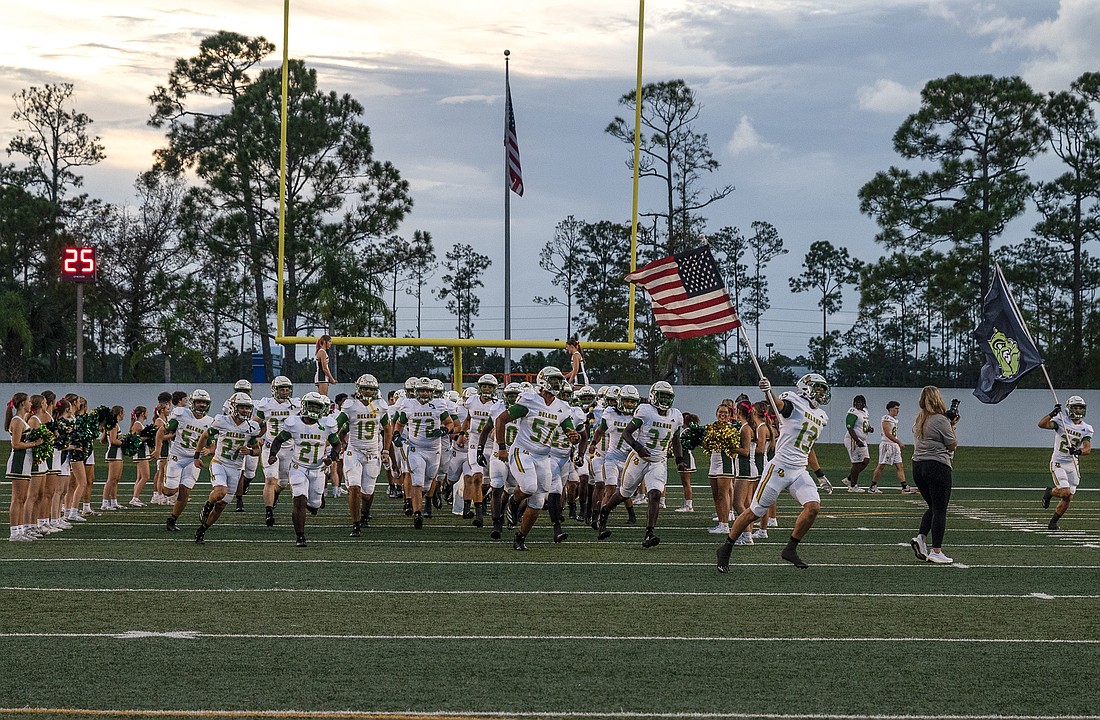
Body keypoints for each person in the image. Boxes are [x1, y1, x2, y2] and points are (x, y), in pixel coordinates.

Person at [717, 374, 832, 572]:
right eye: (818, 389)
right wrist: (768, 391)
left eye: (823, 390)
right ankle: (726, 548)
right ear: (806, 388)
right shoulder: (794, 402)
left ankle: (790, 549)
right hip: (779, 468)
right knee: (754, 512)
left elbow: (809, 447)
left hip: (799, 469)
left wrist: (820, 475)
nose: (821, 394)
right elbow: (780, 405)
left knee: (813, 507)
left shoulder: (822, 416)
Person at [492, 366, 581, 550]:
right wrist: (501, 447)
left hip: (543, 456)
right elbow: (500, 420)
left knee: (538, 501)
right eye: (553, 380)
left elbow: (571, 433)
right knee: (529, 487)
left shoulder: (562, 407)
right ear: (543, 381)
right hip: (522, 451)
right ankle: (513, 502)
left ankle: (520, 537)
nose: (557, 384)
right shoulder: (530, 400)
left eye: (558, 381)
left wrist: (575, 437)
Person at [595, 381, 684, 548]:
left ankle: (649, 533)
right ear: (653, 396)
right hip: (638, 459)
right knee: (624, 493)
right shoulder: (645, 411)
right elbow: (627, 433)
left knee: (655, 495)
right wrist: (638, 447)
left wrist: (679, 460)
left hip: (658, 461)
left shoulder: (676, 415)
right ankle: (605, 511)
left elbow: (676, 439)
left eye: (667, 397)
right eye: (662, 396)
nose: (665, 400)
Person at [267, 392, 341, 547]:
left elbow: (336, 444)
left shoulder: (326, 424)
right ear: (304, 406)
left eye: (317, 406)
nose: (314, 408)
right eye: (311, 405)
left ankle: (314, 502)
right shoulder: (294, 423)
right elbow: (278, 439)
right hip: (298, 467)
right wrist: (273, 454)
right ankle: (300, 536)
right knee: (299, 500)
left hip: (318, 469)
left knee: (314, 506)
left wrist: (332, 457)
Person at [193, 393, 263, 544]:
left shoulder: (251, 427)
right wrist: (197, 456)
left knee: (221, 505)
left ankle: (202, 529)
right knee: (220, 491)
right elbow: (204, 436)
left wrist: (250, 451)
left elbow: (257, 450)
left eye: (247, 408)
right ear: (233, 407)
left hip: (236, 468)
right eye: (242, 407)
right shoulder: (222, 421)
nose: (245, 410)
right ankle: (207, 506)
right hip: (220, 462)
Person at [909, 386, 958, 565]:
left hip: (918, 465)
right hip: (936, 465)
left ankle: (921, 538)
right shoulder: (940, 419)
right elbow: (952, 444)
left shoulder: (920, 418)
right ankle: (936, 550)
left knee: (933, 506)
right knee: (940, 509)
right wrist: (952, 425)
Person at [337, 374, 391, 537]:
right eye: (365, 388)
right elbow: (337, 425)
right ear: (358, 389)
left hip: (372, 453)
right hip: (354, 452)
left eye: (371, 389)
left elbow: (388, 429)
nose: (368, 391)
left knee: (366, 495)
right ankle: (356, 524)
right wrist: (337, 444)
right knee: (354, 488)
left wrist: (386, 451)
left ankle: (364, 512)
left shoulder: (380, 406)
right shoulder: (350, 406)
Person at [162, 389, 215, 531]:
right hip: (177, 456)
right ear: (192, 402)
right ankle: (163, 475)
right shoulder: (181, 414)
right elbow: (163, 430)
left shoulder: (210, 422)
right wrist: (157, 447)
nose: (202, 405)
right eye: (199, 402)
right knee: (169, 492)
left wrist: (209, 450)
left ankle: (172, 519)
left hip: (193, 460)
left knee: (185, 492)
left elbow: (213, 445)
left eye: (205, 403)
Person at [1039, 396, 1092, 531]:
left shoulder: (1086, 428)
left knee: (1068, 497)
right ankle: (1050, 492)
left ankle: (1053, 523)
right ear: (1069, 409)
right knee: (1064, 492)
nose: (1078, 410)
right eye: (1075, 407)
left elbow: (1087, 449)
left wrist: (1078, 451)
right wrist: (1052, 414)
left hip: (1072, 464)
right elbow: (1042, 424)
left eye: (1080, 408)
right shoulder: (1061, 421)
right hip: (1058, 462)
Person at [254, 376, 300, 527]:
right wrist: (256, 437)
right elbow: (254, 424)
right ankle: (269, 512)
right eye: (282, 389)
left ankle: (274, 495)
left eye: (287, 389)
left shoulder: (296, 405)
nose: (285, 391)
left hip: (289, 449)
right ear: (275, 390)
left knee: (284, 483)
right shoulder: (266, 405)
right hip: (270, 447)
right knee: (270, 480)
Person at [871, 401, 913, 494]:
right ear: (890, 409)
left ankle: (904, 487)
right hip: (887, 445)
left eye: (898, 409)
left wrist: (896, 443)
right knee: (881, 466)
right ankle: (873, 486)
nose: (898, 410)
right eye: (896, 408)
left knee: (900, 466)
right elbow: (887, 433)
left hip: (894, 445)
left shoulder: (894, 420)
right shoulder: (886, 419)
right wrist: (899, 442)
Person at [843, 395, 872, 492]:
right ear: (854, 403)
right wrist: (857, 440)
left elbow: (863, 425)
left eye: (861, 402)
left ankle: (849, 479)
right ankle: (853, 486)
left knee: (866, 461)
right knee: (856, 463)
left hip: (862, 439)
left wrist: (869, 428)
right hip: (853, 439)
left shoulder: (865, 412)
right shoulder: (853, 411)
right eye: (857, 402)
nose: (859, 404)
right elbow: (849, 427)